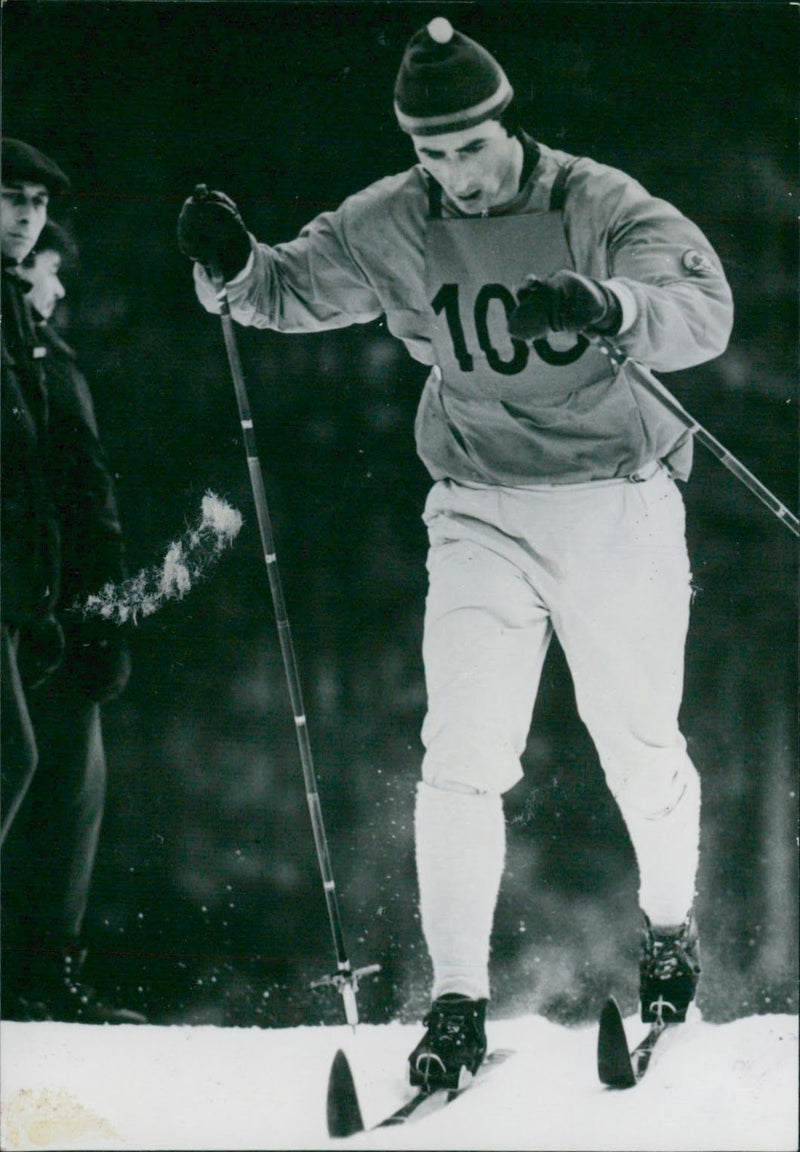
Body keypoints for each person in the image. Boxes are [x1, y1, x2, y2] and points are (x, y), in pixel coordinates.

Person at [177, 18, 733, 1087]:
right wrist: (234, 262)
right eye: (431, 155)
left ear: (503, 124)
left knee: (637, 746)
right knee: (462, 755)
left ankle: (667, 927)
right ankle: (456, 998)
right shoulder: (393, 216)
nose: (455, 176)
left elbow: (699, 309)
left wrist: (609, 301)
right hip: (478, 506)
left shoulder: (593, 200)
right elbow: (288, 292)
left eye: (469, 148)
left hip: (612, 501)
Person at [1, 139, 144, 1023]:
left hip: (38, 599)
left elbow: (83, 497)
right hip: (15, 597)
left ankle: (38, 976)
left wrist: (98, 614)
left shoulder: (38, 344)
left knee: (64, 768)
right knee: (9, 759)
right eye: (8, 198)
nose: (24, 218)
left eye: (38, 204)